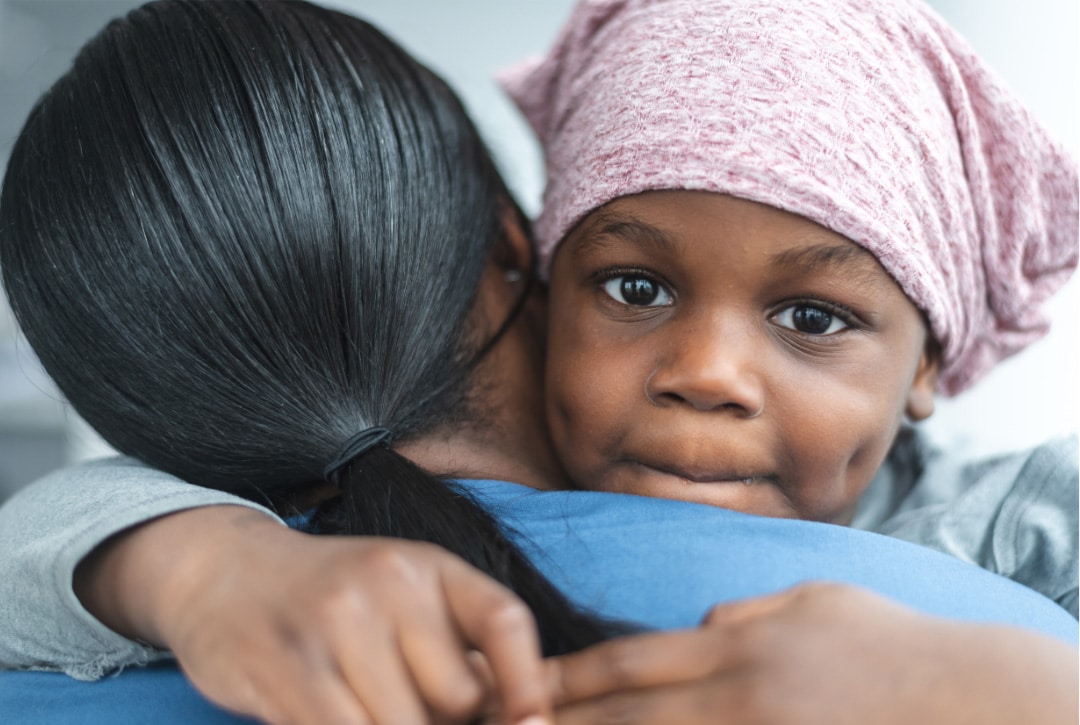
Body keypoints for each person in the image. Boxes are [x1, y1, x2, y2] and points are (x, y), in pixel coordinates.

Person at [0, 0, 1076, 723]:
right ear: (537, 266)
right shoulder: (296, 560)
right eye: (637, 289)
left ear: (931, 362)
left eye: (812, 314)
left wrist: (1014, 688)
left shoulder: (1024, 523)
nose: (706, 370)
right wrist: (198, 565)